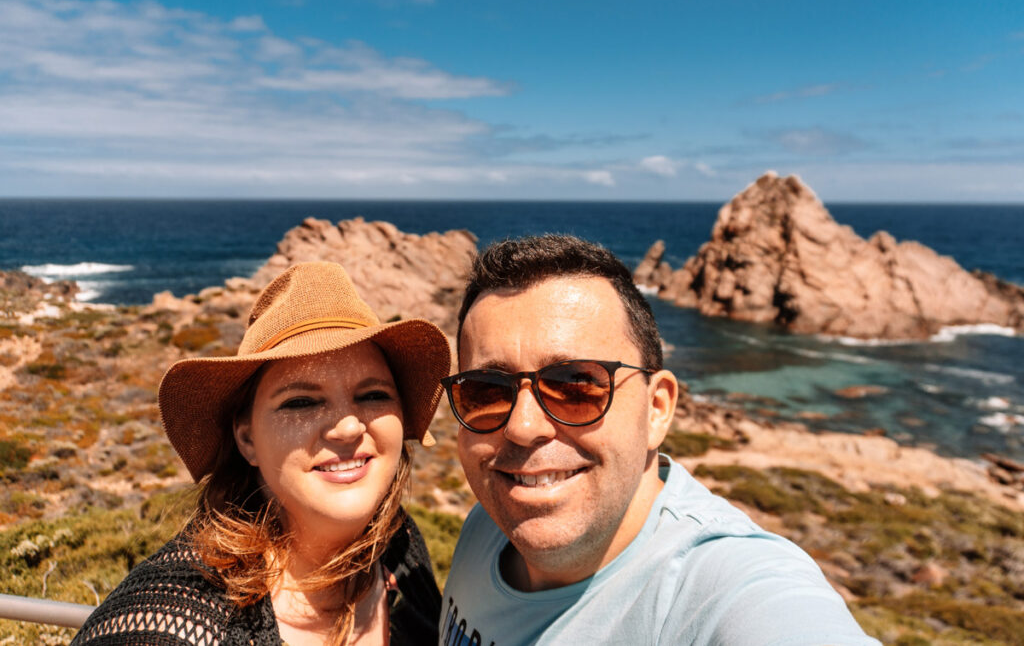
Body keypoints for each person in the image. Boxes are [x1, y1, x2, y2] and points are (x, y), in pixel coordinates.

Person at [438, 235, 880, 645]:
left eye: (575, 384)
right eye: (486, 390)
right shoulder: (489, 524)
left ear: (657, 408)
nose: (522, 426)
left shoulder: (720, 588)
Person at [72, 261, 451, 646]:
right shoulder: (166, 625)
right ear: (246, 438)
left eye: (373, 395)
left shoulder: (398, 545)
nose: (349, 427)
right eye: (301, 402)